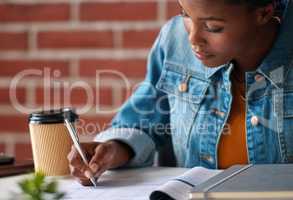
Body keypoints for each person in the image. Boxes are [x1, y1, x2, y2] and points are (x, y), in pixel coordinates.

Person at [67, 0, 292, 186]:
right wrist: (113, 149)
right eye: (185, 13)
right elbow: (144, 120)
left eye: (213, 27)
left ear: (264, 13)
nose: (192, 39)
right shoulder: (174, 38)